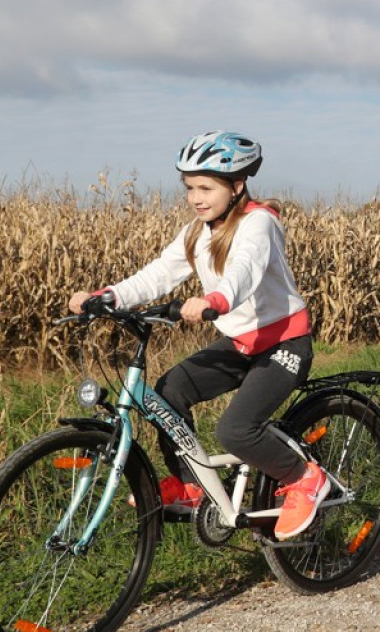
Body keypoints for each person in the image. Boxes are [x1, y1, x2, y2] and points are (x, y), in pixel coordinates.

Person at [69, 131, 327, 540]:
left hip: (283, 343)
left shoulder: (259, 222)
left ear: (237, 185)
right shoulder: (196, 232)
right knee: (168, 392)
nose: (195, 197)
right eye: (189, 188)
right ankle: (192, 485)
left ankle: (304, 479)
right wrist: (108, 296)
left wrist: (217, 300)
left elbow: (246, 268)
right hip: (239, 344)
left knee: (235, 431)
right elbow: (158, 274)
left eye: (206, 187)